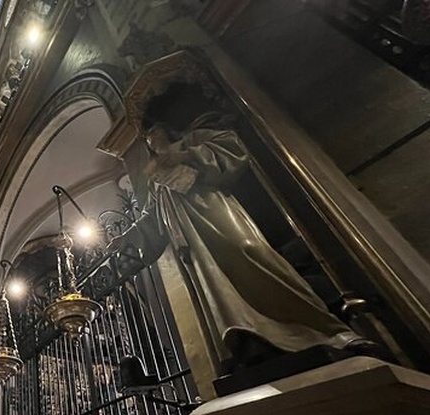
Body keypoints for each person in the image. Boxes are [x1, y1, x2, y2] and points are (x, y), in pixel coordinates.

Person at [108, 113, 379, 371]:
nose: (152, 140)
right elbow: (152, 216)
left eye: (154, 133)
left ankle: (327, 331)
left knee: (250, 253)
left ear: (166, 130)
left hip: (215, 212)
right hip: (190, 238)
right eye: (147, 139)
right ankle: (252, 342)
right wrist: (127, 236)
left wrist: (184, 155)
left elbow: (231, 148)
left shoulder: (192, 140)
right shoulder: (154, 175)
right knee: (217, 288)